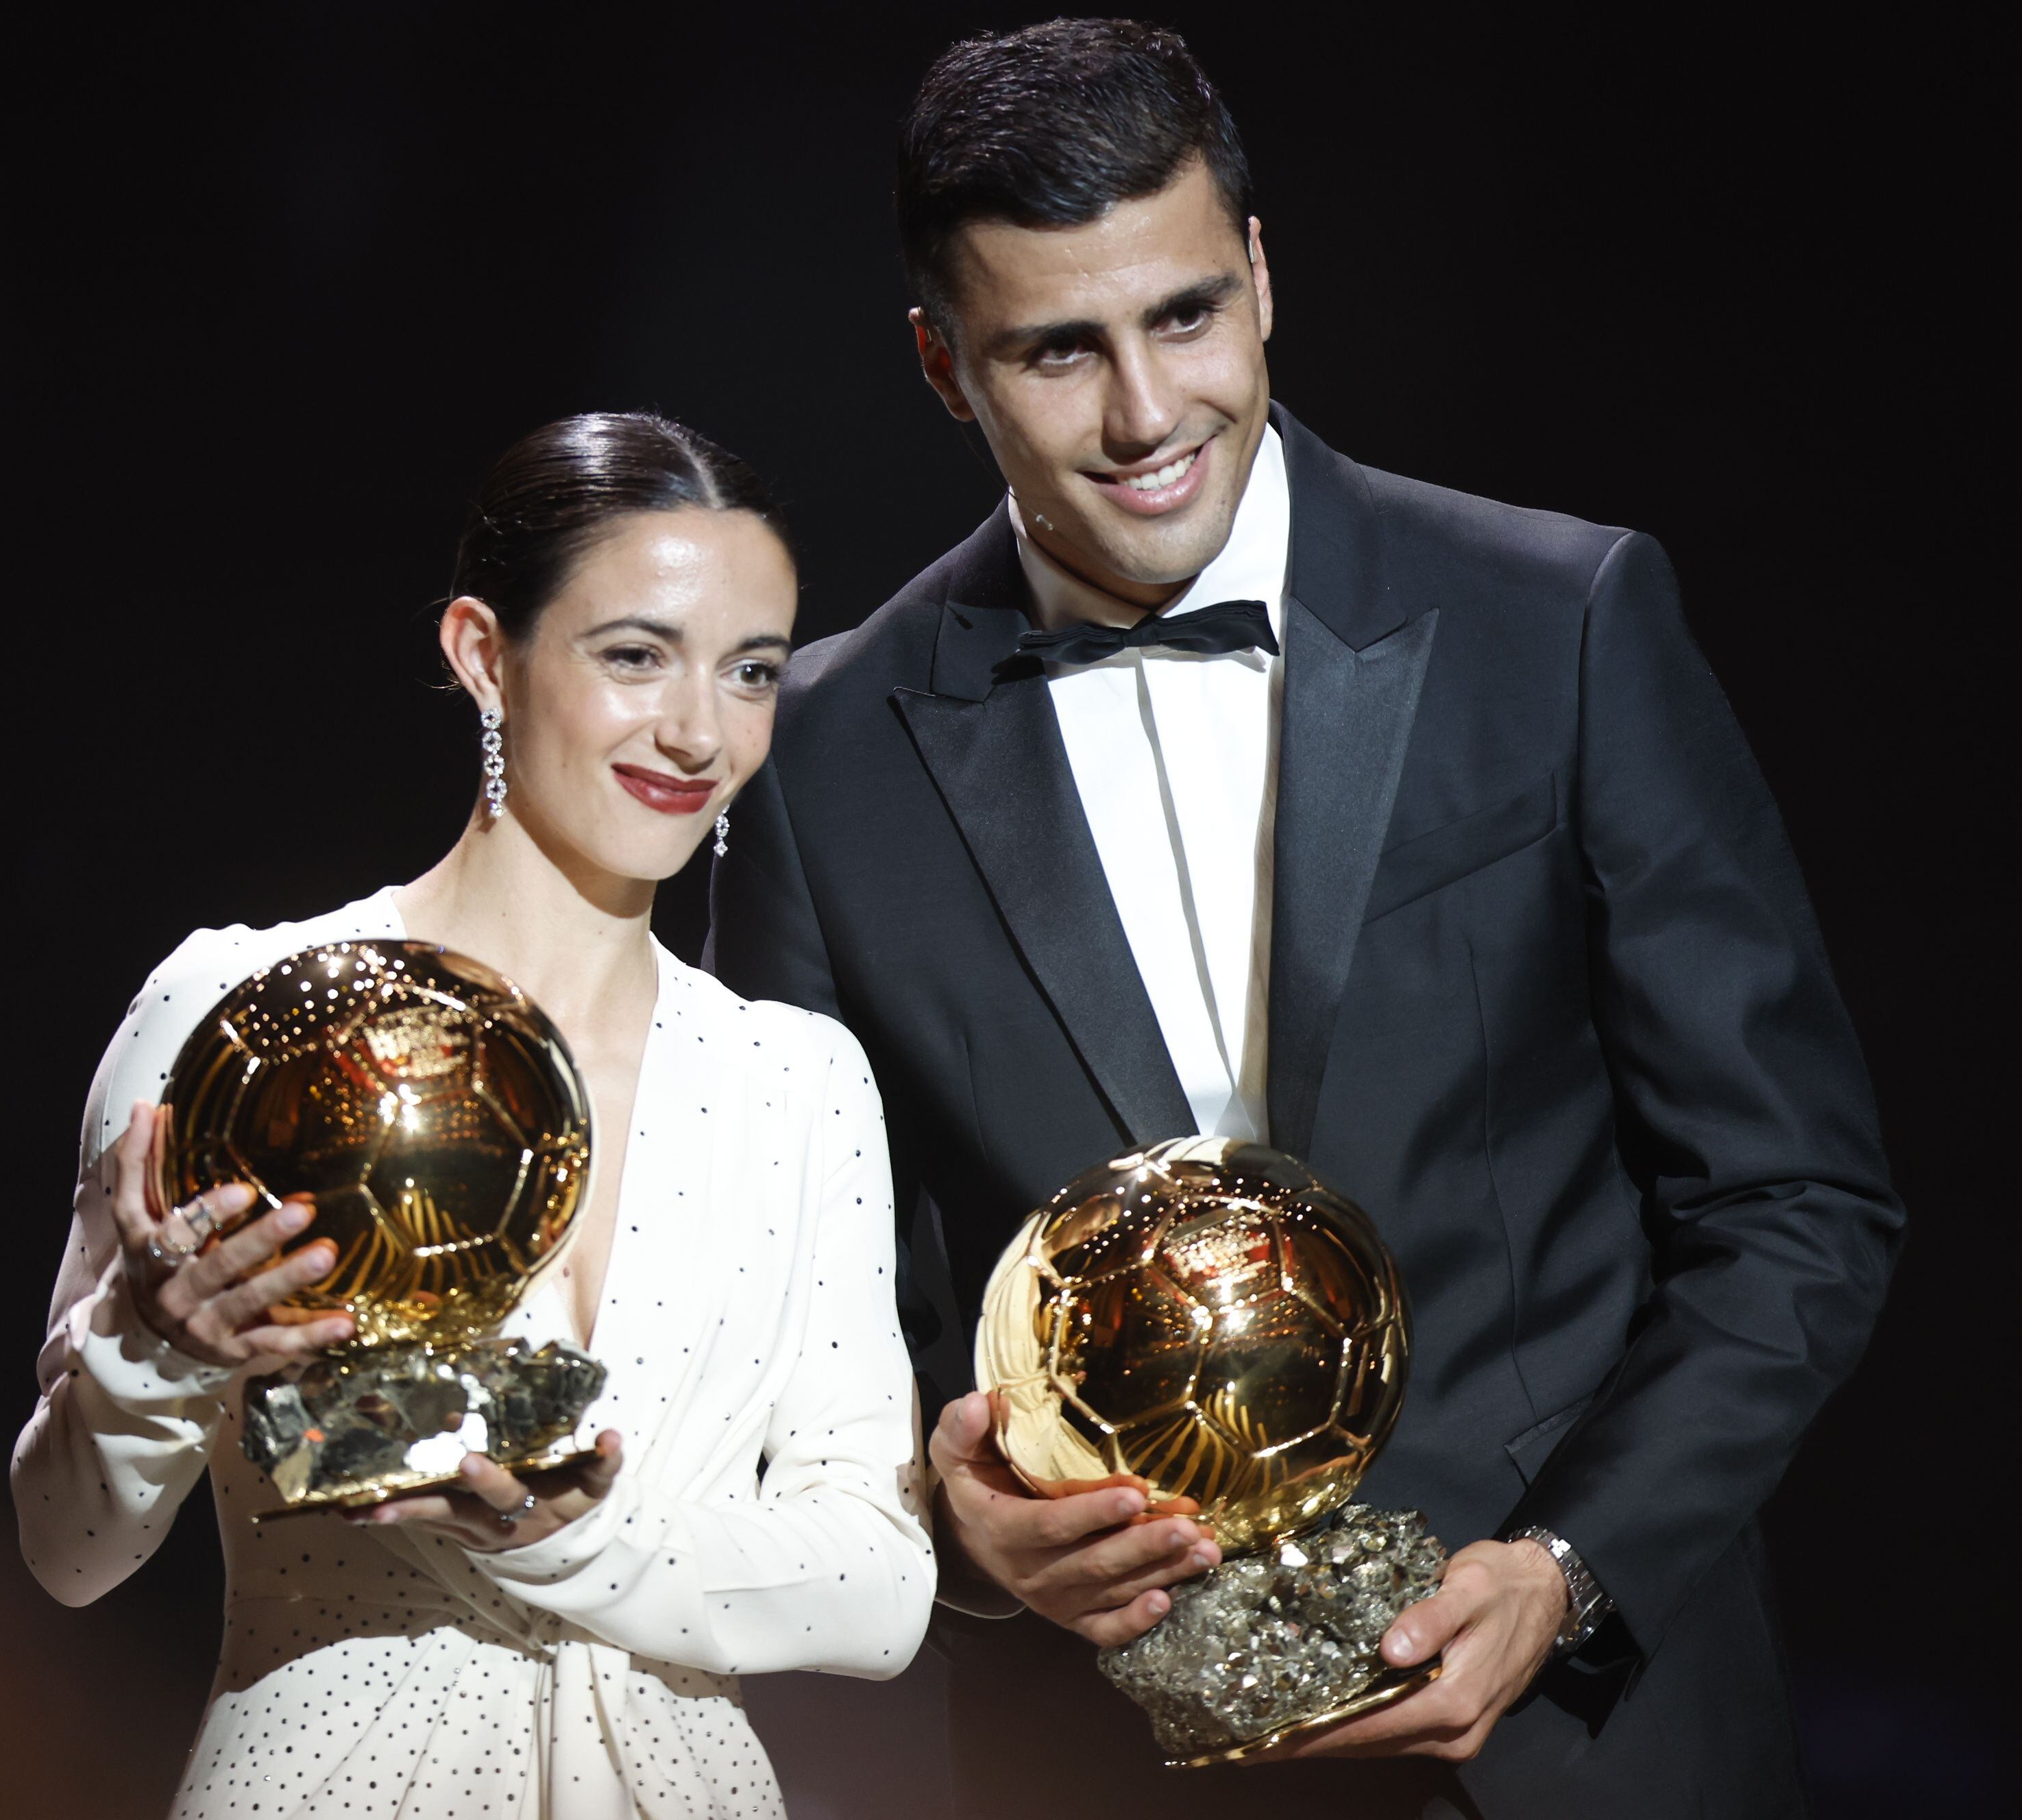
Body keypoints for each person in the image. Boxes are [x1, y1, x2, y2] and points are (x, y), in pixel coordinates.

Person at [705, 20, 1902, 1819]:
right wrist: (958, 1533)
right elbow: (791, 1340)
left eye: (1186, 316)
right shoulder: (818, 763)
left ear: (1262, 272)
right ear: (943, 367)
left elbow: (1800, 1207)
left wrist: (1568, 1573)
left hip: (1588, 1748)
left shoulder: (1560, 622)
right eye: (1055, 350)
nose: (1143, 413)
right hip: (1103, 1760)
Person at [12, 413, 933, 1819]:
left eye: (749, 670)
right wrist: (152, 1349)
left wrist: (588, 1535)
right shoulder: (247, 1009)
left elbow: (881, 1585)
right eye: (634, 653)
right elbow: (66, 1547)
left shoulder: (791, 1079)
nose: (697, 729)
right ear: (482, 653)